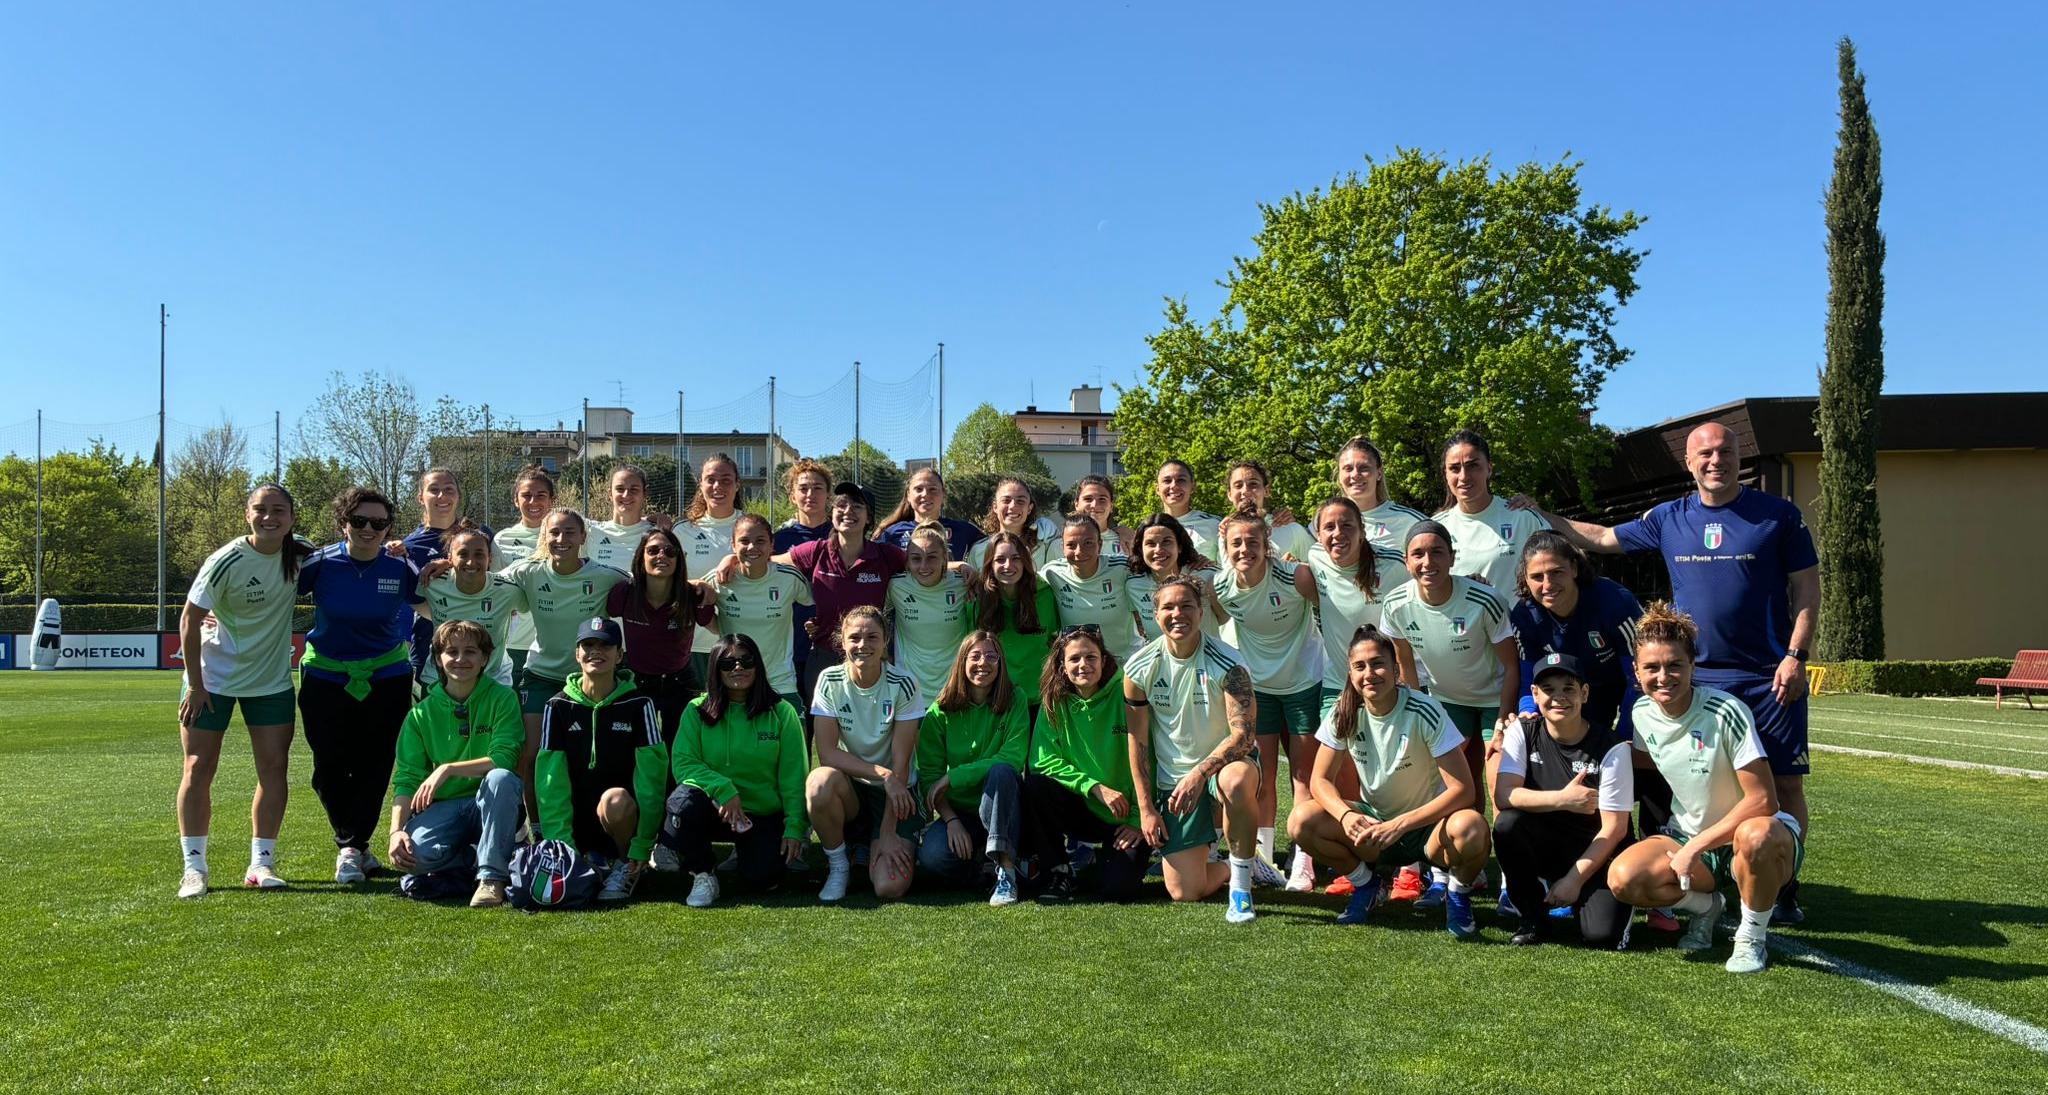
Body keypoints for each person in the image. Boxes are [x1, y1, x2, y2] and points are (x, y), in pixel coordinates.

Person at [1527, 421, 1820, 925]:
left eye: (1724, 452)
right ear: (1689, 463)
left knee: (1784, 784)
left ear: (1738, 458)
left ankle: (1782, 886)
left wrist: (1797, 654)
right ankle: (1701, 872)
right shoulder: (1669, 517)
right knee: (1685, 779)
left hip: (1767, 676)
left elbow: (1807, 588)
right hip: (1693, 677)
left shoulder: (1778, 516)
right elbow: (1602, 537)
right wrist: (1541, 514)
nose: (1715, 461)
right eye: (1704, 454)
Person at [1606, 603, 1803, 974]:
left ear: (1693, 666)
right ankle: (1708, 908)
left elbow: (1763, 800)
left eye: (1674, 665)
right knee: (1624, 879)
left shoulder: (1725, 711)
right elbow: (1644, 758)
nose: (1663, 677)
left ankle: (1750, 940)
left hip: (1756, 837)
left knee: (1756, 836)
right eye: (1651, 667)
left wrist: (1694, 848)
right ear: (1636, 671)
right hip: (1689, 837)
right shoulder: (1641, 713)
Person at [1287, 626, 1490, 939]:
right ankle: (1367, 885)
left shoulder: (1424, 709)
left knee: (1472, 828)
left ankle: (1458, 895)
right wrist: (1346, 815)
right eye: (1360, 666)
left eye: (1378, 663)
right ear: (1350, 673)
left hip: (1428, 829)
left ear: (1396, 670)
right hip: (1375, 827)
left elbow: (1464, 790)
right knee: (1301, 820)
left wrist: (1402, 824)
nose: (1369, 673)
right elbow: (1320, 781)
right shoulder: (1344, 710)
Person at [174, 483, 312, 898]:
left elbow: (348, 554)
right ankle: (194, 869)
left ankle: (261, 864)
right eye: (260, 509)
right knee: (198, 767)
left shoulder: (302, 554)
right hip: (211, 681)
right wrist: (195, 684)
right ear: (247, 515)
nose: (269, 517)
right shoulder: (226, 559)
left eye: (279, 510)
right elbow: (189, 619)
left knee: (274, 768)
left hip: (270, 681)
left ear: (292, 517)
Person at [1378, 520, 1517, 907]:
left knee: (1500, 786)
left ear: (1452, 557)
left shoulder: (1484, 600)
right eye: (1418, 554)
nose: (1428, 562)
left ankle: (1512, 885)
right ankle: (1445, 876)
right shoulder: (1396, 603)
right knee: (1444, 786)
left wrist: (1504, 721)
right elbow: (1405, 665)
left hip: (1493, 701)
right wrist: (1417, 714)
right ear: (1406, 561)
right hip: (1446, 701)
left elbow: (1511, 666)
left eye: (1437, 552)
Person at [297, 487, 423, 884]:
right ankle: (357, 846)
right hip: (325, 675)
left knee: (376, 763)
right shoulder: (319, 563)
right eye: (359, 520)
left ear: (388, 528)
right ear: (343, 523)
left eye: (379, 522)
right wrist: (217, 613)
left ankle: (351, 847)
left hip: (388, 676)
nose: (369, 529)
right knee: (328, 766)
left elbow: (435, 602)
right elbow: (273, 590)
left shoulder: (400, 566)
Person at [1123, 576, 1263, 923]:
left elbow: (1243, 737)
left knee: (1235, 781)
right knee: (1184, 892)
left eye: (1187, 606)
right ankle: (1236, 865)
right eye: (1168, 607)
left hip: (1222, 768)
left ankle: (1241, 890)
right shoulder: (1139, 668)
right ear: (1155, 615)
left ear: (1201, 612)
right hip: (1175, 782)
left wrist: (1200, 774)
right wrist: (1146, 809)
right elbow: (1137, 742)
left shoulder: (1228, 662)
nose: (1178, 614)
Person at [1210, 510, 1323, 890]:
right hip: (1258, 690)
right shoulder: (1220, 586)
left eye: (1252, 542)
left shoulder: (1296, 576)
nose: (1245, 549)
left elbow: (1331, 606)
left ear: (1267, 545)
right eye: (1236, 543)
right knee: (1263, 777)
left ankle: (1303, 861)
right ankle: (1264, 861)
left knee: (1303, 777)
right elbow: (1214, 619)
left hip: (1304, 683)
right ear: (1226, 548)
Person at [1491, 653, 1634, 947]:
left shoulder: (1611, 747)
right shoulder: (1523, 731)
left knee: (1601, 936)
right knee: (1507, 825)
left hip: (1597, 854)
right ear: (1535, 694)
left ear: (1584, 693)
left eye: (1569, 688)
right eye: (1549, 689)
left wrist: (1574, 880)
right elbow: (1504, 795)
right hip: (1547, 844)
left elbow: (1615, 828)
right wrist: (1562, 799)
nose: (1559, 697)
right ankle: (1533, 917)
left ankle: (1588, 894)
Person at [498, 507, 631, 816]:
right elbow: (483, 581)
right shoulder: (528, 571)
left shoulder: (606, 575)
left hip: (588, 683)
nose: (561, 539)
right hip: (541, 676)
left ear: (583, 537)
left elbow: (652, 582)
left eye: (570, 532)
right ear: (544, 536)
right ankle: (536, 829)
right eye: (554, 532)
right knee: (531, 755)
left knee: (588, 756)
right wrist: (443, 565)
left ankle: (596, 822)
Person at [660, 634, 809, 908]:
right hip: (713, 808)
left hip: (761, 813)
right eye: (727, 663)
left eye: (746, 660)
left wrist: (794, 827)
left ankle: (748, 853)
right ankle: (703, 873)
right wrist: (723, 789)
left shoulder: (781, 712)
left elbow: (794, 776)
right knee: (683, 804)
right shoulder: (696, 710)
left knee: (763, 879)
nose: (738, 667)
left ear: (757, 665)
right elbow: (684, 763)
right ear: (715, 670)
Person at [387, 620, 525, 908]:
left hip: (489, 802)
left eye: (470, 651)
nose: (461, 659)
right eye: (452, 651)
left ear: (485, 658)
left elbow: (504, 758)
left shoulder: (503, 698)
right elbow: (407, 778)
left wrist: (447, 769)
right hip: (444, 807)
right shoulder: (420, 714)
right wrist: (396, 831)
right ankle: (482, 855)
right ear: (438, 659)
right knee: (412, 858)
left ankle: (491, 878)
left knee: (501, 778)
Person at [534, 616, 668, 902]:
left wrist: (642, 844)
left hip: (620, 820)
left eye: (606, 645)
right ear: (577, 654)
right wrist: (563, 847)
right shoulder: (557, 706)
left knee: (614, 800)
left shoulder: (639, 704)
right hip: (577, 821)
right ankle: (586, 860)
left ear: (619, 655)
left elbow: (652, 781)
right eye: (588, 645)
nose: (596, 651)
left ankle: (626, 865)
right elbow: (550, 783)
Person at [806, 607, 926, 903]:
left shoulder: (904, 683)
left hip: (897, 793)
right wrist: (881, 773)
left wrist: (887, 832)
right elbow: (827, 753)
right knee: (819, 783)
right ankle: (839, 866)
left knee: (888, 887)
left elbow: (900, 766)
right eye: (855, 638)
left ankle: (872, 841)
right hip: (855, 788)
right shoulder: (829, 680)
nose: (863, 645)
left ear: (885, 641)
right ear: (842, 641)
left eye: (872, 637)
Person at [1023, 625, 1151, 903]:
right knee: (1035, 786)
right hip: (1083, 807)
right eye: (1074, 659)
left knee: (1117, 891)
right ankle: (1058, 871)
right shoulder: (1054, 700)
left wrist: (1137, 820)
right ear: (1062, 665)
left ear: (1103, 660)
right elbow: (1042, 761)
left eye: (1091, 657)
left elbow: (1149, 758)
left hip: (1125, 816)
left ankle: (1105, 862)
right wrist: (1093, 787)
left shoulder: (1127, 693)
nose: (1083, 665)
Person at [915, 632, 1030, 905]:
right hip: (961, 813)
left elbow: (1012, 758)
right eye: (975, 656)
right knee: (932, 857)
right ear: (962, 662)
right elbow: (930, 778)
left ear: (1001, 663)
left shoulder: (1016, 699)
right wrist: (951, 820)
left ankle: (1006, 871)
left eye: (991, 656)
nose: (983, 663)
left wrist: (954, 776)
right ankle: (982, 868)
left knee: (1001, 771)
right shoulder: (939, 711)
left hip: (1004, 808)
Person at [605, 526, 715, 739]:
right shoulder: (625, 592)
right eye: (653, 550)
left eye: (670, 551)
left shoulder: (693, 595)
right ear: (641, 557)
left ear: (678, 559)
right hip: (636, 681)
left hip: (680, 683)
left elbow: (710, 621)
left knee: (680, 747)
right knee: (634, 747)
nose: (661, 556)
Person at [707, 513, 814, 709]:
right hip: (734, 681)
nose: (752, 547)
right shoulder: (720, 578)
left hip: (780, 682)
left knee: (793, 729)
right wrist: (710, 621)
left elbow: (818, 601)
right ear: (733, 545)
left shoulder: (789, 578)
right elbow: (690, 591)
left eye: (760, 541)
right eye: (744, 541)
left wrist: (817, 624)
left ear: (772, 545)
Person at [399, 468, 492, 681]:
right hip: (431, 652)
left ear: (458, 496)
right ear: (420, 497)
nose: (442, 496)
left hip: (482, 650)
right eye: (434, 490)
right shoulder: (409, 547)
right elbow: (412, 603)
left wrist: (449, 564)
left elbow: (497, 583)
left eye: (449, 490)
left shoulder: (482, 536)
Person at [1432, 431, 1546, 595]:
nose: (1464, 476)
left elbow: (1557, 567)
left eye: (1473, 466)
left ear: (1489, 469)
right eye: (1455, 468)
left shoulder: (1522, 517)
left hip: (1517, 613)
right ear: (1446, 474)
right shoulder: (1436, 529)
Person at [968, 531, 1061, 720]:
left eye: (1016, 558)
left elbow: (1053, 642)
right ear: (989, 564)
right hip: (997, 700)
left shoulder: (1044, 594)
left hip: (1041, 700)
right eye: (1000, 559)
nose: (1008, 565)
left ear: (1025, 561)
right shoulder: (978, 601)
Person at [416, 523, 521, 689]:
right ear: (450, 558)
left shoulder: (508, 590)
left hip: (493, 682)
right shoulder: (431, 582)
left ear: (490, 558)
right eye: (463, 554)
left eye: (479, 554)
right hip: (439, 681)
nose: (471, 562)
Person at [677, 453, 747, 684]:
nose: (718, 486)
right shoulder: (683, 530)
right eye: (711, 480)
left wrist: (734, 558)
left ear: (737, 485)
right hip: (693, 644)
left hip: (740, 645)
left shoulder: (752, 527)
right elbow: (665, 582)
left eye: (726, 480)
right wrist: (696, 586)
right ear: (701, 484)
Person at [886, 521, 975, 699]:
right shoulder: (896, 586)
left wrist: (963, 567)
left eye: (932, 557)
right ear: (907, 561)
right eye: (916, 559)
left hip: (954, 690)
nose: (924, 566)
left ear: (944, 558)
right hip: (909, 693)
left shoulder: (963, 583)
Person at [1040, 514, 1139, 660]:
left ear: (1100, 545)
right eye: (1071, 545)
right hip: (1083, 665)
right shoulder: (1052, 573)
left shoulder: (1123, 567)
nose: (1079, 552)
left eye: (1088, 543)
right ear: (1062, 547)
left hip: (1126, 661)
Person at [492, 465, 556, 689]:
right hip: (514, 646)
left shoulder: (567, 535)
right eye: (526, 495)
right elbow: (493, 589)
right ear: (515, 500)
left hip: (554, 645)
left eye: (541, 495)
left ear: (551, 500)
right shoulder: (502, 539)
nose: (533, 501)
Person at [774, 458, 835, 675]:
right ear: (792, 496)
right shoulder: (778, 539)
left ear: (828, 495)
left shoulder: (843, 535)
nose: (810, 494)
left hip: (833, 643)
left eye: (817, 488)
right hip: (790, 641)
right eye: (803, 488)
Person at [1126, 513, 1224, 643]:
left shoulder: (1207, 576)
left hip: (1208, 654)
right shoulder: (1134, 585)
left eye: (1166, 542)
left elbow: (1224, 618)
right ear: (1141, 549)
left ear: (1180, 546)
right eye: (1150, 543)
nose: (1158, 550)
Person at [1334, 436, 1429, 556]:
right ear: (1339, 475)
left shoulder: (1410, 522)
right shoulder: (1323, 524)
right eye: (1348, 469)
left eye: (1364, 468)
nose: (1355, 474)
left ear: (1379, 473)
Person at [877, 467, 984, 559]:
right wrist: (957, 565)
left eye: (932, 489)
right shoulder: (891, 533)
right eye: (918, 489)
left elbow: (991, 551)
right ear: (908, 495)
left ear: (943, 494)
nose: (925, 494)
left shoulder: (964, 530)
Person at [588, 463, 669, 572]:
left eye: (634, 489)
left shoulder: (658, 533)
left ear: (645, 493)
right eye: (620, 489)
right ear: (610, 494)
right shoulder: (590, 531)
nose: (626, 495)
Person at [1224, 460, 1311, 561]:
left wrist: (1292, 567)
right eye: (1238, 485)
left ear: (1266, 491)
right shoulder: (1222, 535)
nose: (1245, 491)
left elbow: (1319, 565)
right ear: (1229, 495)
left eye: (1253, 484)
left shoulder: (1292, 530)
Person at [966, 477, 1059, 571]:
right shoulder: (978, 551)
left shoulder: (1045, 542)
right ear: (995, 507)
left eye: (1020, 501)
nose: (1013, 506)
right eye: (1006, 500)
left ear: (1029, 508)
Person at [1152, 459, 1222, 561]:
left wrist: (1210, 566)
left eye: (1181, 480)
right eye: (1167, 481)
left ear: (1193, 486)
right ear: (1157, 489)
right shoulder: (1148, 530)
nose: (1174, 486)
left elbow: (1229, 566)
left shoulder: (1216, 525)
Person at [1070, 473, 1137, 557]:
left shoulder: (1128, 543)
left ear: (1111, 506)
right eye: (1088, 499)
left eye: (1102, 499)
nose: (1095, 505)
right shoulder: (1060, 544)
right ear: (1076, 504)